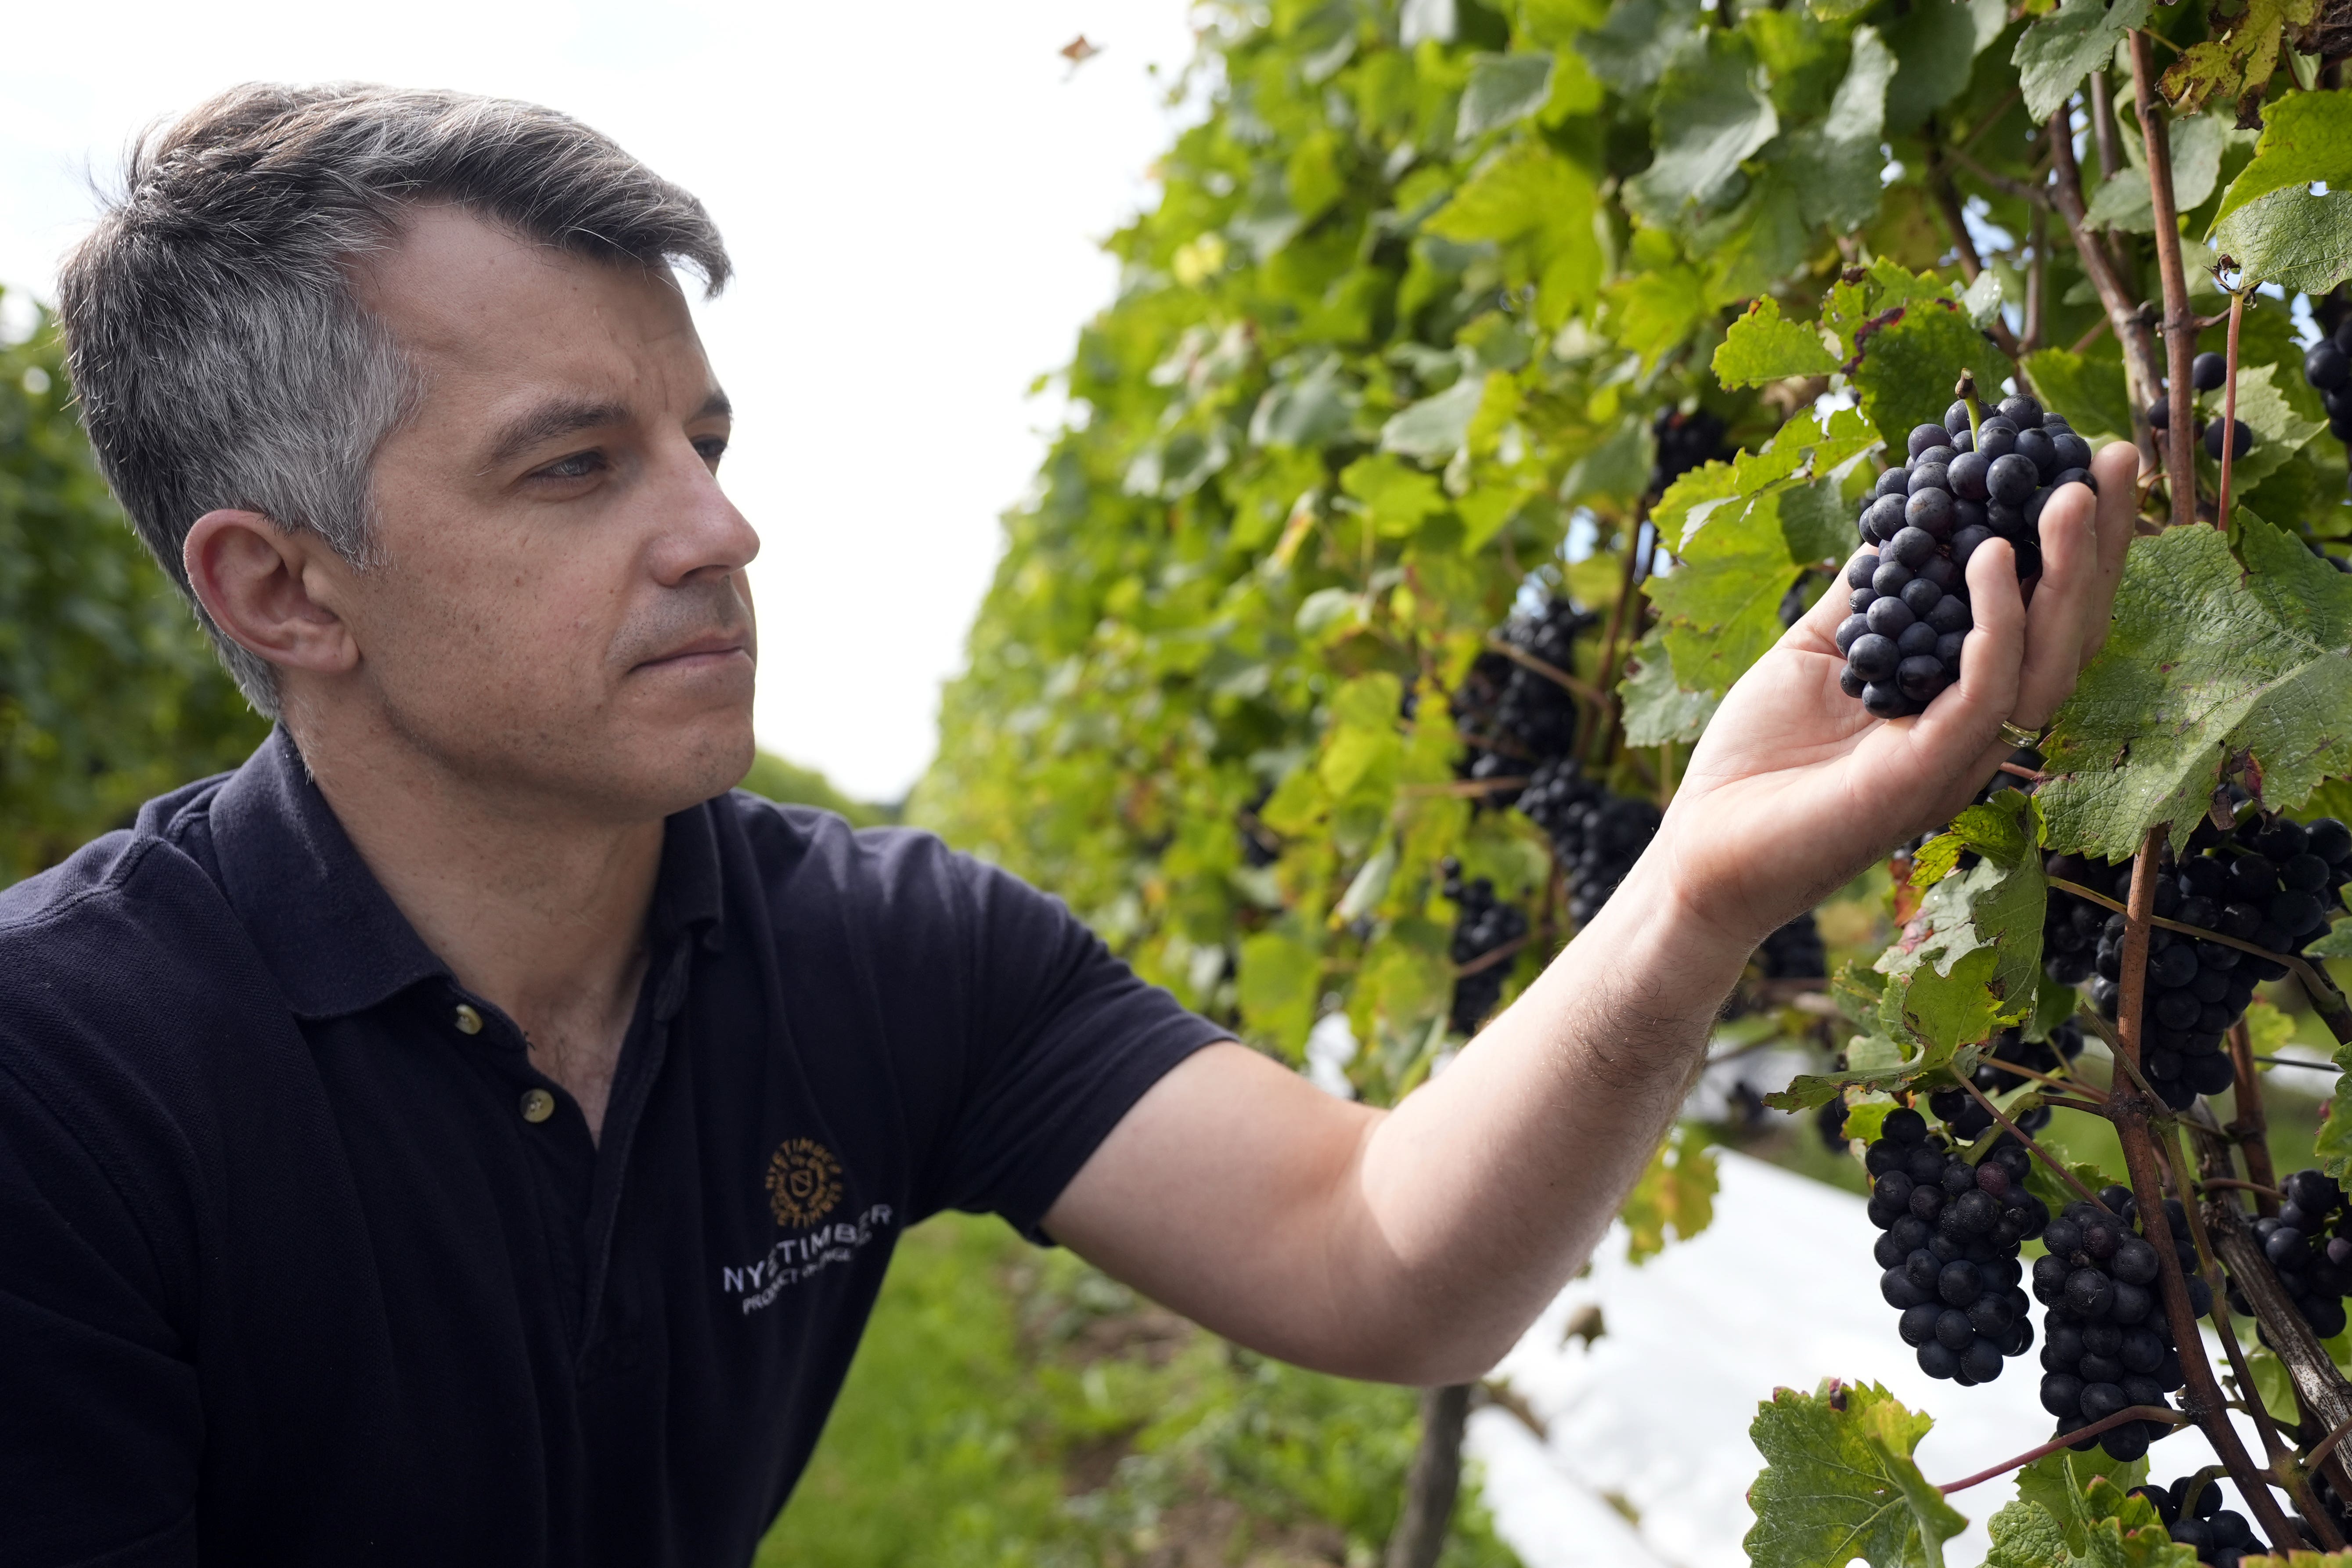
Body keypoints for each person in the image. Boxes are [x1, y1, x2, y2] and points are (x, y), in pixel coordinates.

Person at [0, 83, 2137, 1568]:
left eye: (705, 436)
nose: (720, 528)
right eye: (575, 466)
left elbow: (1377, 1253)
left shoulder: (872, 949)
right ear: (282, 587)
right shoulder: (62, 1082)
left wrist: (1692, 883)